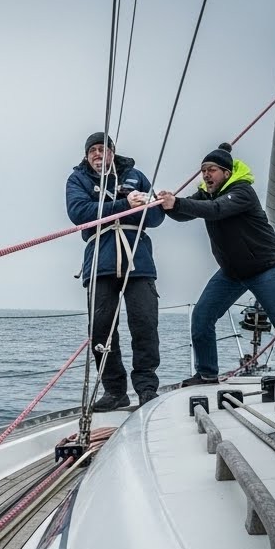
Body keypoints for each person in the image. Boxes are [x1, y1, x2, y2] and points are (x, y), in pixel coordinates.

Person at [156, 142, 275, 386]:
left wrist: (178, 203)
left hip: (264, 267)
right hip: (232, 272)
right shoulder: (206, 194)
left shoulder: (242, 192)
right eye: (203, 169)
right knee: (201, 317)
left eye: (212, 169)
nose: (206, 174)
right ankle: (206, 374)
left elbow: (216, 210)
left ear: (226, 173)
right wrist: (162, 201)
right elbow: (185, 212)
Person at [66, 132, 166, 410]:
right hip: (101, 260)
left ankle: (146, 389)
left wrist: (144, 203)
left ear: (112, 152)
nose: (98, 154)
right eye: (93, 151)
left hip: (138, 260)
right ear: (87, 156)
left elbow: (156, 217)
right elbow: (79, 212)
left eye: (103, 149)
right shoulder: (78, 180)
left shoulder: (136, 176)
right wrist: (125, 204)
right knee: (101, 329)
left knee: (145, 324)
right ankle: (114, 391)